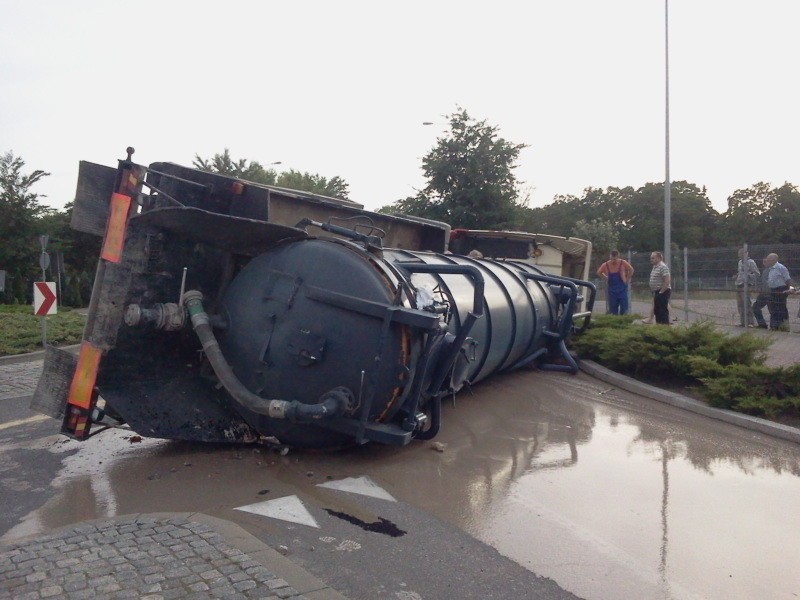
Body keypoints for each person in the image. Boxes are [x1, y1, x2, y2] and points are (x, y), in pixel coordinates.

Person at [597, 250, 634, 315]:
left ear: (618, 257)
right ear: (610, 257)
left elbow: (631, 270)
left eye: (615, 259)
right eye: (611, 259)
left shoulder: (623, 262)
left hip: (622, 288)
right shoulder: (605, 264)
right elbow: (599, 272)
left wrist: (627, 279)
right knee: (613, 308)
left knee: (624, 307)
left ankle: (623, 320)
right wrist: (606, 277)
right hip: (612, 289)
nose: (613, 261)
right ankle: (614, 319)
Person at [764, 253, 793, 331]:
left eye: (768, 259)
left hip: (781, 289)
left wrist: (789, 289)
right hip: (772, 290)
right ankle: (774, 326)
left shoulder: (781, 267)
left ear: (774, 260)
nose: (767, 260)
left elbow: (788, 279)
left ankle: (784, 326)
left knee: (781, 308)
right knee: (773, 308)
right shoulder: (770, 269)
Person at [734, 248, 760, 327]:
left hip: (746, 285)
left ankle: (750, 322)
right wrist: (737, 275)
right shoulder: (739, 262)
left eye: (742, 253)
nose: (740, 255)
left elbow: (757, 274)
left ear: (746, 254)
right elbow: (740, 272)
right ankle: (743, 322)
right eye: (739, 253)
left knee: (747, 304)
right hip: (739, 284)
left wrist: (748, 276)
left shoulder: (751, 262)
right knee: (740, 304)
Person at [646, 251, 671, 324]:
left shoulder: (663, 267)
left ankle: (664, 327)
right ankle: (659, 325)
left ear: (659, 258)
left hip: (662, 291)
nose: (651, 259)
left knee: (662, 311)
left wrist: (661, 292)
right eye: (651, 258)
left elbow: (667, 280)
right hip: (656, 291)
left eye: (653, 258)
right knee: (657, 311)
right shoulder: (655, 266)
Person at [751, 257, 772, 329]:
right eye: (764, 262)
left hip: (770, 294)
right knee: (755, 307)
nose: (764, 263)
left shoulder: (773, 271)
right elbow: (762, 282)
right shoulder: (764, 271)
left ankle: (775, 325)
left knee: (772, 310)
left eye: (766, 261)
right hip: (763, 293)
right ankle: (762, 324)